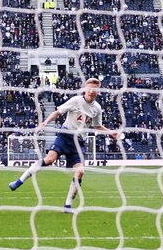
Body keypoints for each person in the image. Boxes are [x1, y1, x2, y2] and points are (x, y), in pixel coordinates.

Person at [8, 77, 120, 213]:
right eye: (89, 88)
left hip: (78, 142)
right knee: (49, 160)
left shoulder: (97, 108)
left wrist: (111, 133)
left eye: (95, 89)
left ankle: (67, 206)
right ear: (85, 88)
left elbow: (97, 126)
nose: (91, 91)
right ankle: (18, 181)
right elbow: (58, 111)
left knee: (80, 172)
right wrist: (45, 122)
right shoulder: (76, 101)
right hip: (65, 135)